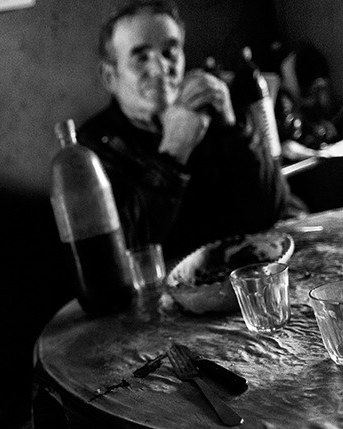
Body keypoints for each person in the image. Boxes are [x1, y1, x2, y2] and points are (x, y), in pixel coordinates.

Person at [77, 0, 304, 259]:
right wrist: (174, 152)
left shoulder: (209, 113)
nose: (161, 68)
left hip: (237, 269)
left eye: (170, 52)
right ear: (110, 76)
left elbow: (270, 210)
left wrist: (233, 129)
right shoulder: (92, 148)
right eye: (141, 57)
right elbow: (128, 248)